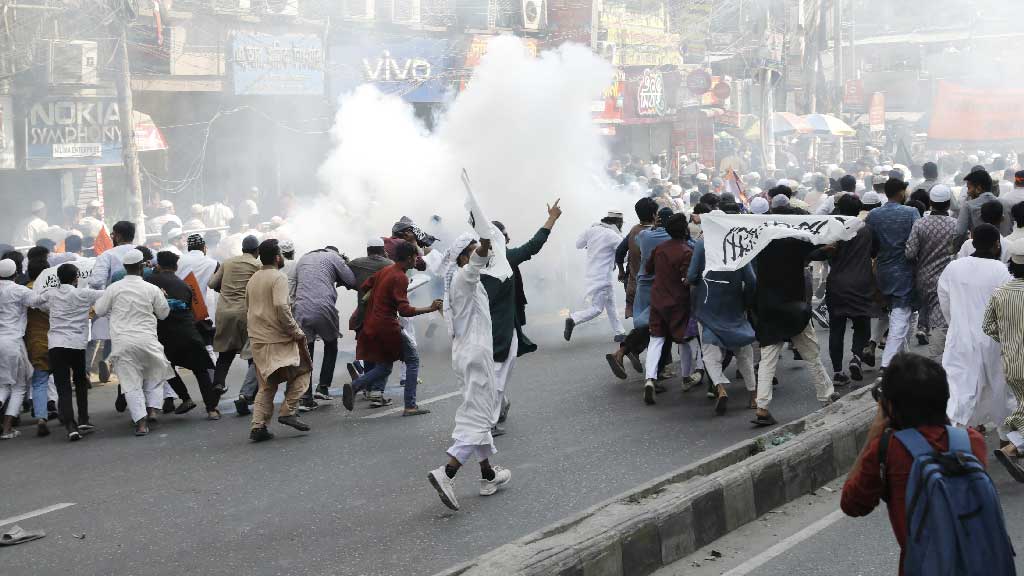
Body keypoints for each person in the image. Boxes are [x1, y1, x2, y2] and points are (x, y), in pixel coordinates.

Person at [840, 353, 989, 574]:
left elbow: (851, 503)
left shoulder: (888, 450)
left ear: (889, 407)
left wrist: (873, 436)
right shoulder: (972, 442)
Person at [427, 234, 511, 511]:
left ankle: (488, 475)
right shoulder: (464, 276)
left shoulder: (456, 282)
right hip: (476, 354)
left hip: (465, 354)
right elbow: (476, 262)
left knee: (478, 412)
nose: (480, 254)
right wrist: (485, 242)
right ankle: (447, 472)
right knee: (482, 415)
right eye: (473, 251)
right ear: (464, 256)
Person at [753, 206, 838, 425]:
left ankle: (762, 407)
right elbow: (819, 246)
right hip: (793, 310)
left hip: (768, 308)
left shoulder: (761, 241)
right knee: (811, 354)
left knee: (767, 359)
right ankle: (827, 395)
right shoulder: (795, 241)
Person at [481, 201, 561, 432]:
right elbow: (533, 246)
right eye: (504, 236)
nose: (507, 239)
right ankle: (489, 421)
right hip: (500, 326)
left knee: (497, 371)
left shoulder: (476, 260)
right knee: (498, 371)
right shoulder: (502, 258)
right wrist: (552, 219)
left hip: (487, 324)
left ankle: (498, 406)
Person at [343, 242, 441, 413]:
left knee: (385, 366)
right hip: (387, 326)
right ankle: (410, 405)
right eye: (415, 257)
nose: (417, 260)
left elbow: (366, 285)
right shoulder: (400, 277)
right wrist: (430, 308)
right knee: (412, 360)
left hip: (372, 322)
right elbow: (405, 310)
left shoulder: (385, 271)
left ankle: (355, 386)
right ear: (410, 258)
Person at [93, 249, 175, 436]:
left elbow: (99, 310)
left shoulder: (113, 288)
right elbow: (164, 314)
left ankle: (141, 423)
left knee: (131, 384)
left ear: (125, 267)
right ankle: (153, 409)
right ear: (142, 267)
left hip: (122, 342)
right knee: (157, 373)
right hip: (147, 340)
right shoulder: (151, 289)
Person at [939, 224, 1012, 432]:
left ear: (972, 240)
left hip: (960, 338)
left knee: (959, 390)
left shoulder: (954, 267)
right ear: (997, 244)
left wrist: (956, 322)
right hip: (992, 342)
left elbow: (944, 297)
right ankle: (1007, 441)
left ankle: (955, 438)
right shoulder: (1000, 271)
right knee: (1000, 392)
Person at [686, 213, 758, 413]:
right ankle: (753, 395)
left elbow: (692, 275)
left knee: (710, 353)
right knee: (744, 350)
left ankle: (721, 389)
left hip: (707, 305)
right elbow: (751, 280)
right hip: (733, 305)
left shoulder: (702, 244)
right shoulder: (738, 243)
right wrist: (745, 301)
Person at [246, 239, 312, 442]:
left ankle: (258, 426)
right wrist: (295, 331)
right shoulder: (279, 278)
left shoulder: (254, 278)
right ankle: (288, 411)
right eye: (281, 254)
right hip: (278, 338)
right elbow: (281, 307)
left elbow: (248, 307)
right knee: (303, 372)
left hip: (258, 339)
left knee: (267, 384)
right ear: (277, 257)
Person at [810, 194, 879, 385]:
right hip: (862, 284)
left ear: (839, 209)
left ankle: (838, 372)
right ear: (858, 210)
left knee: (837, 329)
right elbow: (875, 252)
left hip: (837, 285)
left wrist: (827, 251)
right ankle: (856, 357)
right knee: (862, 326)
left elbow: (815, 254)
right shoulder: (867, 230)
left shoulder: (833, 231)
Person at [147, 251, 222, 420]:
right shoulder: (186, 286)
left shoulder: (149, 282)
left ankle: (185, 398)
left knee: (167, 368)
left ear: (158, 265)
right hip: (189, 333)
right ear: (175, 267)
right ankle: (211, 409)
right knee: (200, 371)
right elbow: (192, 308)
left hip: (164, 335)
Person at [39, 263, 104, 441]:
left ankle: (70, 426)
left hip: (56, 345)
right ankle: (83, 419)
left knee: (63, 387)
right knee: (81, 382)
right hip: (77, 344)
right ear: (76, 277)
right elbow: (106, 294)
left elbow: (36, 301)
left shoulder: (50, 293)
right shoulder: (83, 293)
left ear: (58, 278)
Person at [865, 178, 920, 374]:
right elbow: (916, 241)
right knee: (900, 316)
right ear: (900, 192)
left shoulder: (874, 215)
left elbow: (870, 246)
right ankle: (887, 364)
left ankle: (904, 360)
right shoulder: (911, 213)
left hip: (882, 270)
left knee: (893, 315)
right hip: (904, 272)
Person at [292, 246, 355, 409]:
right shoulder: (334, 258)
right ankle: (323, 387)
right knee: (331, 344)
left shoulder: (303, 258)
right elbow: (351, 280)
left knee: (306, 352)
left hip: (300, 308)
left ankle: (305, 396)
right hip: (323, 307)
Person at [641, 214, 693, 405]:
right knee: (685, 339)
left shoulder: (660, 248)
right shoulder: (686, 251)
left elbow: (648, 269)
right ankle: (686, 377)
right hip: (678, 301)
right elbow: (688, 278)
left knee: (656, 338)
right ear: (685, 230)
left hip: (658, 298)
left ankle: (650, 378)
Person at [984, 238, 1024, 482]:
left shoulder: (1000, 293)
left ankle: (1017, 447)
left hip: (1011, 361)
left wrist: (1007, 338)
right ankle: (1013, 446)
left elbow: (987, 326)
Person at [904, 184, 958, 359]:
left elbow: (910, 253)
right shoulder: (955, 225)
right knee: (940, 320)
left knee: (925, 309)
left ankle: (922, 330)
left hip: (923, 276)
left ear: (931, 203)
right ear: (948, 204)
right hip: (946, 278)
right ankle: (935, 359)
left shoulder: (920, 224)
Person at [209, 235, 261, 395]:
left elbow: (212, 283)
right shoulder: (258, 265)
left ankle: (218, 383)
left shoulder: (228, 262)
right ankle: (249, 393)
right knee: (254, 354)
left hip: (224, 312)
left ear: (243, 249)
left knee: (226, 353)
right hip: (246, 313)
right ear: (257, 251)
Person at [565, 211, 625, 342]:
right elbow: (624, 256)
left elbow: (578, 244)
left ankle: (620, 332)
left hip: (593, 274)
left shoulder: (591, 230)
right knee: (597, 309)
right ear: (618, 222)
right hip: (603, 277)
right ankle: (574, 318)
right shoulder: (613, 235)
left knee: (611, 304)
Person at [0, 259, 41, 439]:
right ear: (16, 274)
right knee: (17, 387)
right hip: (12, 342)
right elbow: (40, 301)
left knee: (3, 385)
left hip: (6, 343)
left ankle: (7, 428)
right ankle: (7, 429)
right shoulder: (19, 290)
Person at [24, 256, 52, 438]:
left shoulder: (24, 291)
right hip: (58, 340)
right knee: (63, 381)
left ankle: (42, 418)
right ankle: (70, 418)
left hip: (36, 342)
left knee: (40, 382)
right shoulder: (56, 289)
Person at [616, 198, 657, 319]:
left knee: (639, 319)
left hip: (633, 285)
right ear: (655, 214)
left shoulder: (634, 230)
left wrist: (621, 271)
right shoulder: (658, 232)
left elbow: (619, 252)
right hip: (654, 286)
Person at [957, 169, 1010, 239]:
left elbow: (960, 232)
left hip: (978, 246)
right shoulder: (1004, 203)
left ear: (978, 189)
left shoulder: (968, 206)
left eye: (969, 188)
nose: (968, 192)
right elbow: (1007, 231)